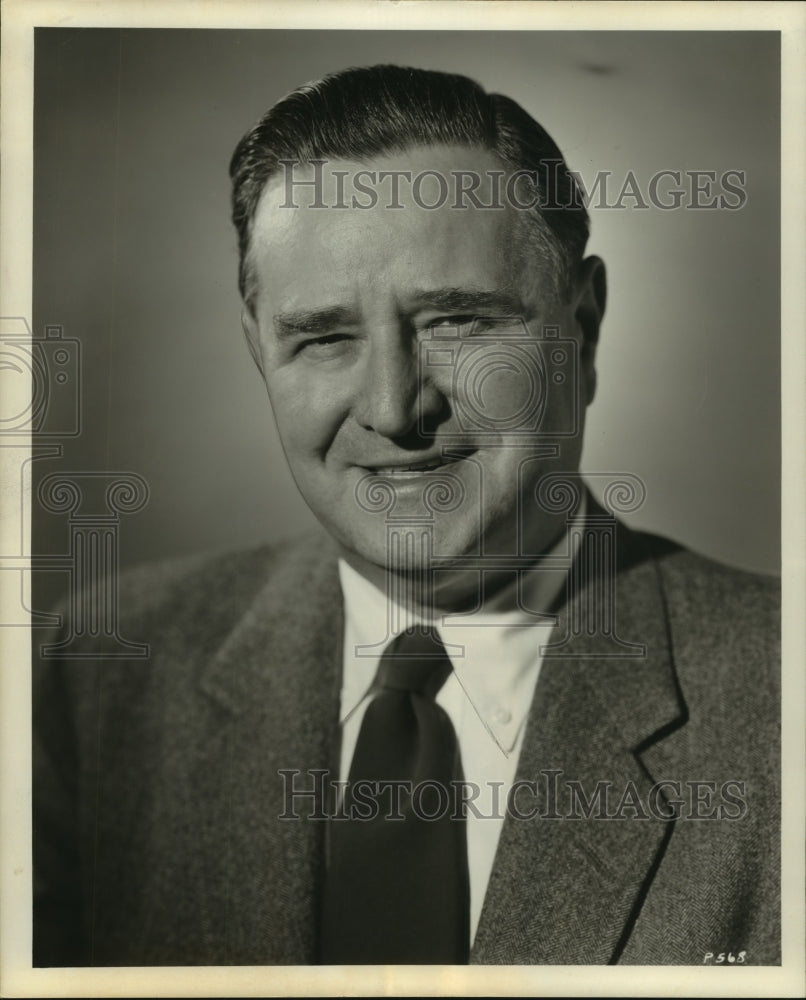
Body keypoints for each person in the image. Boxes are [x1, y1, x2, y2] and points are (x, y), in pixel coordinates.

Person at [33, 64, 780, 967]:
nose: (393, 407)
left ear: (580, 329)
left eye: (458, 323)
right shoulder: (95, 680)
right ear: (259, 356)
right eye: (324, 336)